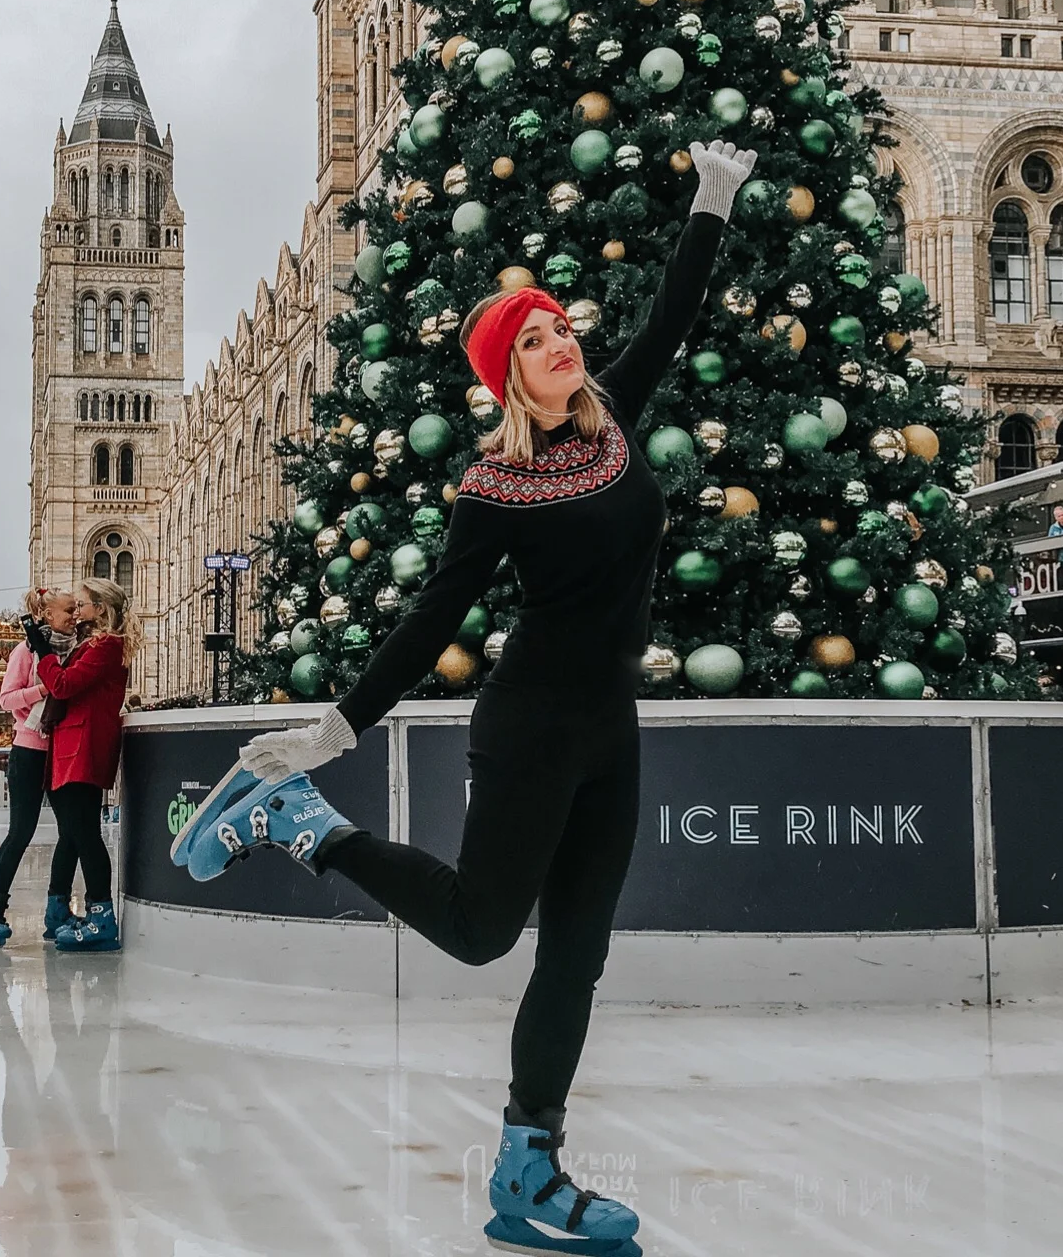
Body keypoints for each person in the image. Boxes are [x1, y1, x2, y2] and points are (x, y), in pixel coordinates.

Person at [172, 140, 755, 1257]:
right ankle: (310, 828)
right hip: (531, 724)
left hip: (608, 732)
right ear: (507, 375)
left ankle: (528, 1166)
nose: (560, 340)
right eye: (533, 338)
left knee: (576, 953)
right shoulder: (493, 484)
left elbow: (671, 316)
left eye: (559, 324)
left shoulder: (615, 415)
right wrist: (338, 723)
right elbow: (433, 616)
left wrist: (709, 200)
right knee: (487, 932)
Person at [25, 575, 141, 952]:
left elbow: (63, 685)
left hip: (84, 748)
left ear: (101, 608)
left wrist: (43, 654)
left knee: (85, 836)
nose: (77, 609)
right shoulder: (95, 643)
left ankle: (101, 917)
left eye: (82, 603)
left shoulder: (107, 645)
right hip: (71, 747)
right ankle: (57, 911)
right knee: (72, 834)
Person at [0, 587, 79, 947]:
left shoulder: (77, 652)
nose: (75, 615)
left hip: (64, 750)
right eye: (68, 610)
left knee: (72, 832)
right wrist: (42, 691)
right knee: (20, 832)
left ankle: (57, 909)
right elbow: (6, 698)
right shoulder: (26, 652)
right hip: (29, 749)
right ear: (48, 616)